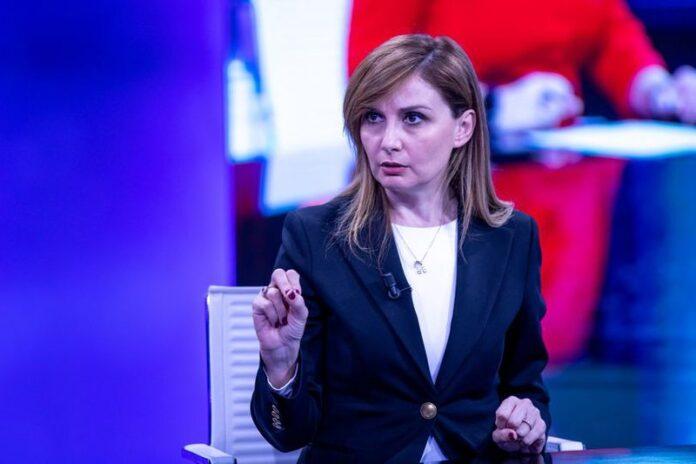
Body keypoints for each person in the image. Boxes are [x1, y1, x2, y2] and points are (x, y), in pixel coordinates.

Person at [250, 35, 551, 463]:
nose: (388, 140)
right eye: (373, 117)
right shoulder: (316, 236)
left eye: (412, 118)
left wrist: (527, 420)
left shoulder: (511, 239)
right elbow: (289, 435)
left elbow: (526, 387)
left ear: (463, 127)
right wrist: (281, 366)